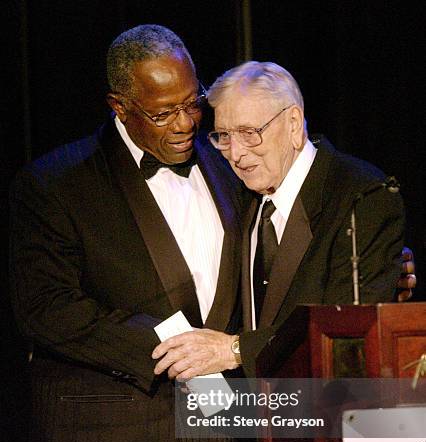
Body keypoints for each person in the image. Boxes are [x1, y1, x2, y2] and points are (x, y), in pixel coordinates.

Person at [9, 25, 245, 442]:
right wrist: (169, 347)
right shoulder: (55, 182)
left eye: (193, 104)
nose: (187, 123)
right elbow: (44, 308)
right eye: (165, 113)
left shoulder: (226, 169)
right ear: (121, 107)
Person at [152, 60, 407, 378]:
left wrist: (234, 350)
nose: (236, 153)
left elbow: (344, 329)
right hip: (256, 417)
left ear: (292, 123)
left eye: (249, 133)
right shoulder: (242, 194)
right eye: (224, 136)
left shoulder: (361, 197)